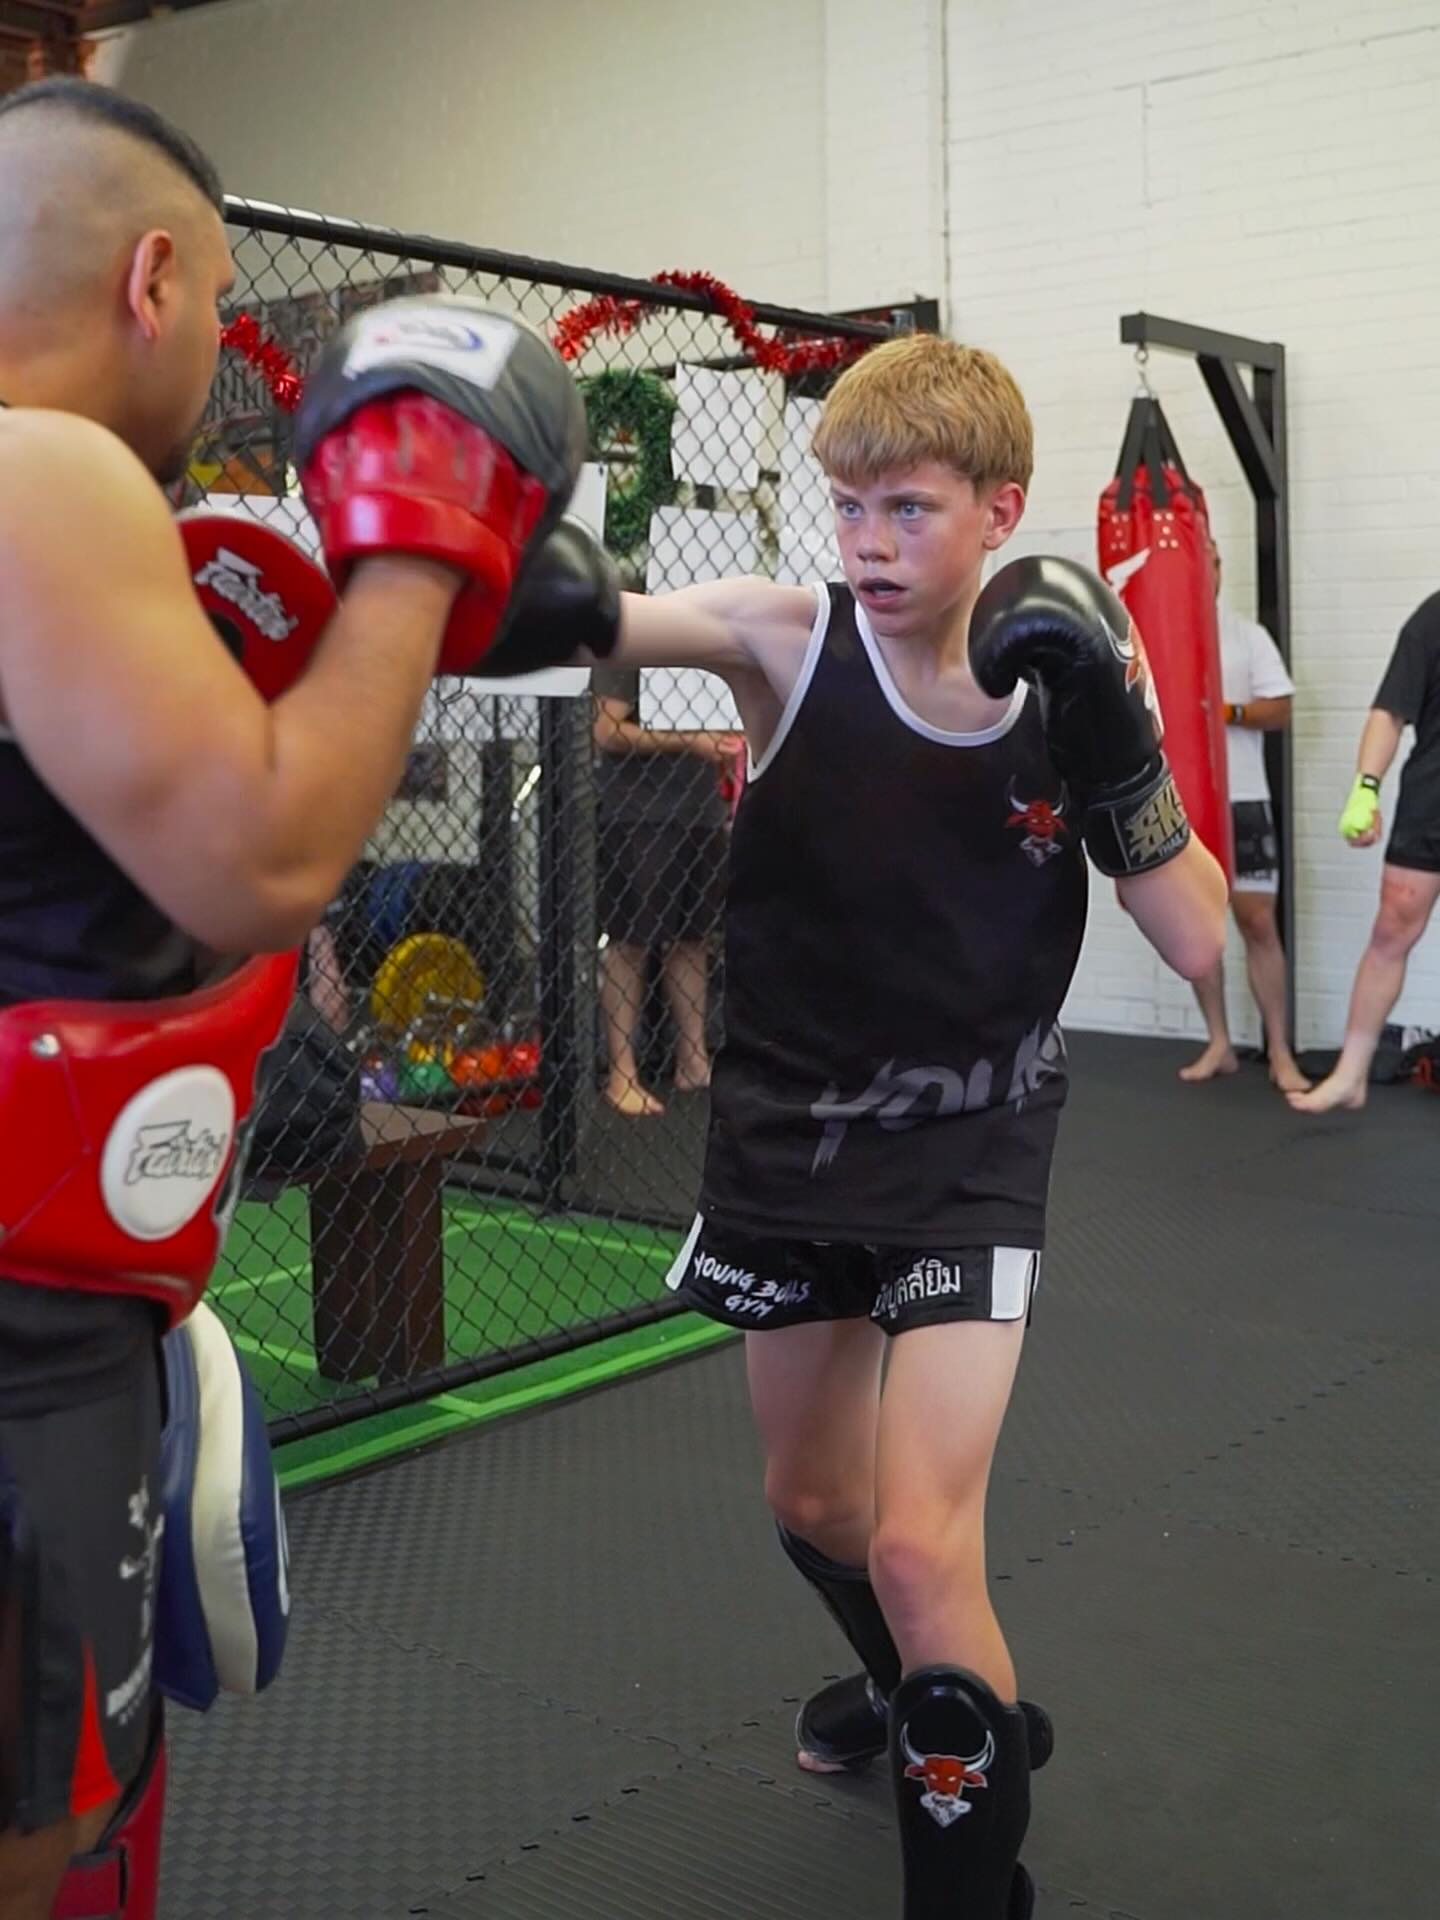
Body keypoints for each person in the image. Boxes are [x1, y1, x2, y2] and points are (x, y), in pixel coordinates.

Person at [504, 333, 1228, 1915]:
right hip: (785, 1137)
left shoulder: (1072, 679)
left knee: (915, 1542)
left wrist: (1114, 734)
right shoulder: (789, 640)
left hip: (973, 1145)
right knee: (812, 1506)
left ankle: (972, 1871)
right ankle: (929, 1697)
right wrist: (503, 575)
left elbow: (1194, 942)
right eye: (849, 508)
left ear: (999, 508)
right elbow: (620, 618)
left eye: (907, 508)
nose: (871, 544)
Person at [0, 77, 603, 1920]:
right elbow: (253, 863)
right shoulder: (44, 464)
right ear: (158, 278)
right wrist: (420, 539)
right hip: (19, 1323)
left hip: (66, 1281)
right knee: (45, 1833)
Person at [1289, 587, 1440, 1114]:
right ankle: (1352, 1074)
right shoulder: (1433, 617)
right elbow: (1389, 711)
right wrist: (1366, 787)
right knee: (1393, 926)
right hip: (1432, 799)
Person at [1178, 537, 1308, 1092]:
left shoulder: (1246, 636)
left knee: (1257, 921)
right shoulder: (1156, 633)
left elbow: (1279, 709)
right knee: (1195, 928)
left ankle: (1279, 1051)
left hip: (1244, 797)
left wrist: (1223, 708)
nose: (1198, 571)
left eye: (1206, 560)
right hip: (1186, 801)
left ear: (1217, 567)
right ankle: (1220, 1043)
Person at [591, 664, 739, 1114]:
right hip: (638, 813)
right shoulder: (632, 642)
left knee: (693, 939)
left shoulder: (707, 646)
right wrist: (687, 740)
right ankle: (622, 1075)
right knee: (631, 941)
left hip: (699, 809)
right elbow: (608, 730)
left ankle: (693, 1060)